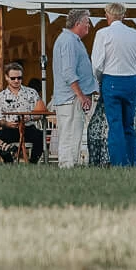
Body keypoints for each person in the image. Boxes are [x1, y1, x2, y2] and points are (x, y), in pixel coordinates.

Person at [90, 3, 136, 169]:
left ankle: (119, 163)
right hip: (130, 80)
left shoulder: (103, 34)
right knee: (128, 124)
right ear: (124, 15)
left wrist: (100, 79)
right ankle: (132, 161)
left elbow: (97, 64)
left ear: (107, 15)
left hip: (111, 79)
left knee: (115, 125)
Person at [50, 11, 97, 169]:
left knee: (75, 132)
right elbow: (68, 72)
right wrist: (81, 95)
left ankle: (72, 164)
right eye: (87, 23)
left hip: (73, 97)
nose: (89, 26)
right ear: (78, 24)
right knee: (69, 132)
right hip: (70, 97)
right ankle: (66, 165)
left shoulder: (73, 40)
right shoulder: (68, 41)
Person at [0, 61, 45, 163]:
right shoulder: (0, 96)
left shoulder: (32, 92)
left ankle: (33, 163)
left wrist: (30, 117)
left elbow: (41, 113)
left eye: (19, 78)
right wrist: (7, 124)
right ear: (6, 77)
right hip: (9, 129)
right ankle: (9, 162)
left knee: (41, 136)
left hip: (28, 127)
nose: (16, 80)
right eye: (13, 78)